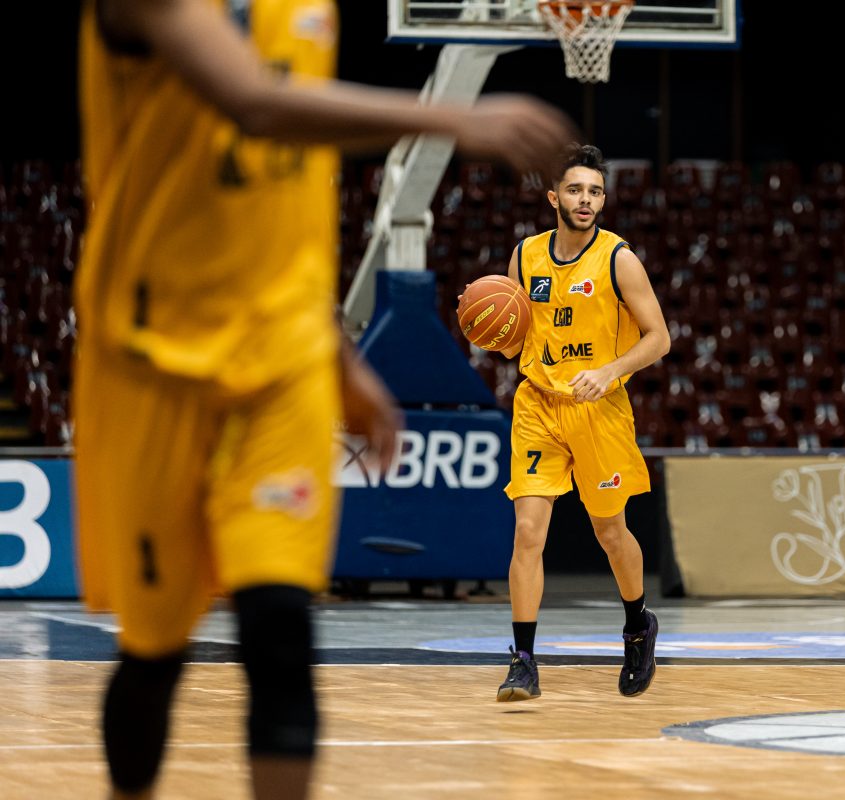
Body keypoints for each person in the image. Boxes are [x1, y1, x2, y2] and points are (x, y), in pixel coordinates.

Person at [75, 1, 577, 798]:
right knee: (155, 654)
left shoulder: (309, 10)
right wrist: (456, 120)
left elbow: (283, 205)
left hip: (282, 365)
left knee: (279, 629)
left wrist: (336, 355)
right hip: (154, 362)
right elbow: (256, 105)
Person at [489, 143, 671, 702]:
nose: (586, 199)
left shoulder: (619, 259)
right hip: (538, 404)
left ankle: (638, 624)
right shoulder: (526, 257)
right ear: (554, 198)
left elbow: (659, 339)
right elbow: (513, 340)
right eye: (575, 190)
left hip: (599, 408)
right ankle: (523, 661)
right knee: (528, 532)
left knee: (610, 533)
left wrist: (610, 372)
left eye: (594, 191)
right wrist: (490, 328)